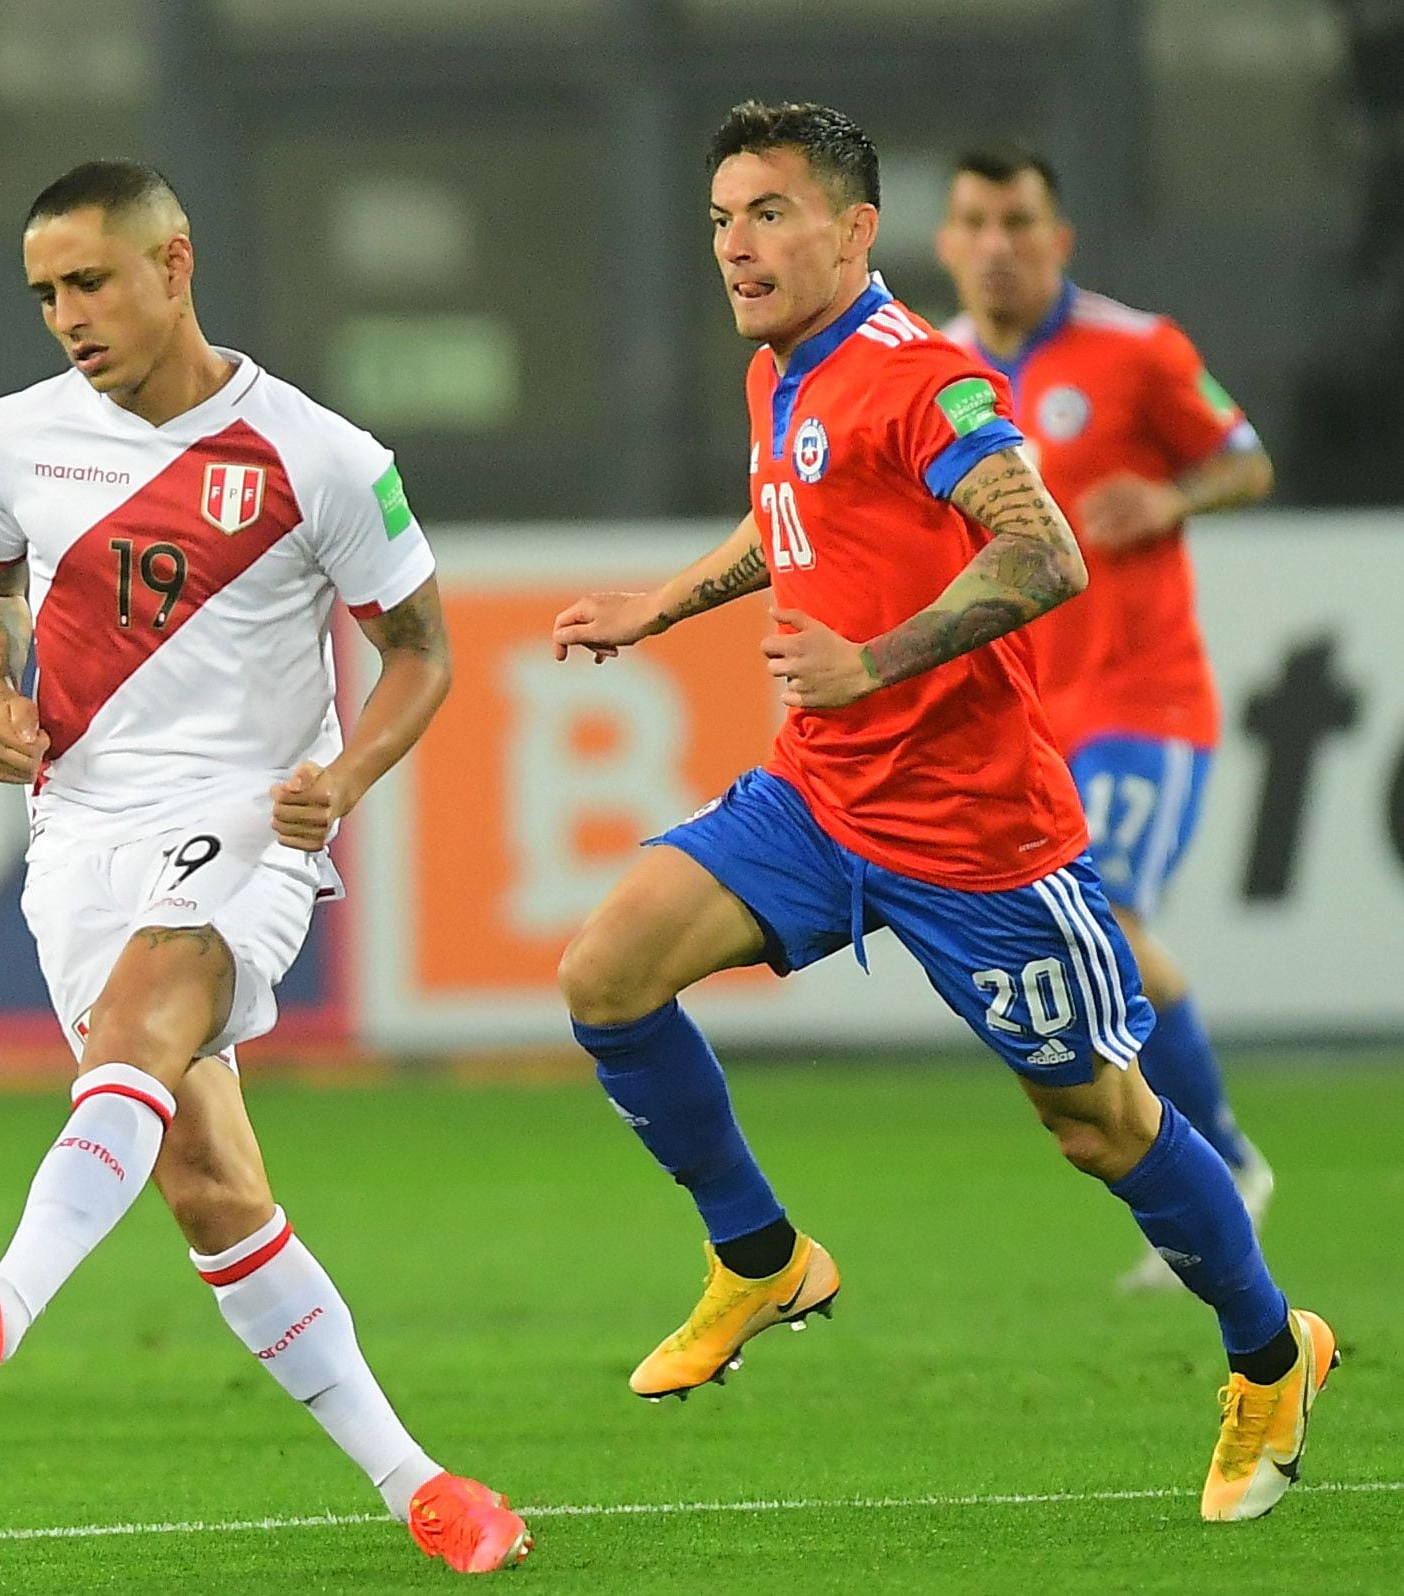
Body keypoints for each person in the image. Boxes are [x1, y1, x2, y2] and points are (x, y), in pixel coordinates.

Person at [550, 102, 1333, 1523]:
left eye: (769, 212)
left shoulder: (923, 378)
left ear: (856, 230)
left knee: (1098, 1123)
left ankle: (1272, 1355)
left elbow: (1042, 552)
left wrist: (874, 661)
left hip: (977, 838)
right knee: (604, 973)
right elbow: (786, 517)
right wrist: (663, 606)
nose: (736, 242)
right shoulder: (782, 369)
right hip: (817, 797)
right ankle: (759, 1255)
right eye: (721, 215)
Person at [0, 159, 528, 1575]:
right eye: (44, 292)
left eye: (89, 282)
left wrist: (343, 782)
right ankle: (420, 1485)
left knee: (140, 1024)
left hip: (246, 821)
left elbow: (420, 648)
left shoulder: (319, 457)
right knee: (207, 1182)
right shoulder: (9, 439)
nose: (65, 314)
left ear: (173, 265)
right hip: (76, 829)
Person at [934, 144, 1277, 1290]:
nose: (997, 244)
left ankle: (1222, 1164)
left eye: (1017, 221)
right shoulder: (932, 371)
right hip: (1018, 715)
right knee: (1071, 944)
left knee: (1113, 917)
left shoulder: (1139, 350)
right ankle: (1194, 1171)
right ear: (946, 243)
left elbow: (1245, 460)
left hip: (1142, 697)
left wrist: (1174, 494)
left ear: (1057, 238)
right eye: (975, 221)